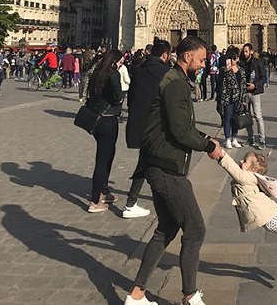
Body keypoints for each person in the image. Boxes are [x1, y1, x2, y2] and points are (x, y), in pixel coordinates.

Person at [125, 36, 224, 305]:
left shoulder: (175, 79)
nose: (203, 65)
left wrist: (206, 138)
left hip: (158, 162)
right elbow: (180, 131)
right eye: (201, 60)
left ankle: (136, 295)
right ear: (187, 56)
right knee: (195, 230)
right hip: (165, 165)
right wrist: (208, 146)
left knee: (166, 228)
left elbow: (180, 124)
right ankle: (190, 295)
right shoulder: (175, 83)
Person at [122, 39, 172, 218]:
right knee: (159, 162)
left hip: (139, 123)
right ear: (165, 55)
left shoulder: (138, 68)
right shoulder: (166, 72)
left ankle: (133, 202)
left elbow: (131, 98)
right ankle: (133, 203)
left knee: (147, 161)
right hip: (157, 124)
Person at [84, 50, 127, 213]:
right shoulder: (113, 74)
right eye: (120, 62)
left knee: (108, 154)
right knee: (103, 160)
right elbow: (118, 97)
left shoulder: (97, 73)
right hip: (108, 120)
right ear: (114, 61)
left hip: (96, 119)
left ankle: (104, 191)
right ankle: (95, 200)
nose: (121, 64)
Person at [216, 48, 248, 148]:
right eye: (231, 58)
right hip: (227, 98)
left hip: (238, 98)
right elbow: (219, 83)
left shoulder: (241, 70)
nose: (233, 60)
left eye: (235, 58)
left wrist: (244, 99)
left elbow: (243, 84)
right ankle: (227, 139)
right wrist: (225, 71)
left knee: (235, 118)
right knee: (227, 118)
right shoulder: (224, 70)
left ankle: (234, 138)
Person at [241, 48, 269, 149]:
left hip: (255, 93)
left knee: (258, 116)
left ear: (251, 52)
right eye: (243, 51)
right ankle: (250, 138)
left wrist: (255, 85)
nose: (244, 53)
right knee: (247, 117)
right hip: (245, 93)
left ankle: (262, 140)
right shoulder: (241, 63)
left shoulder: (258, 62)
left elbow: (263, 77)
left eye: (246, 51)